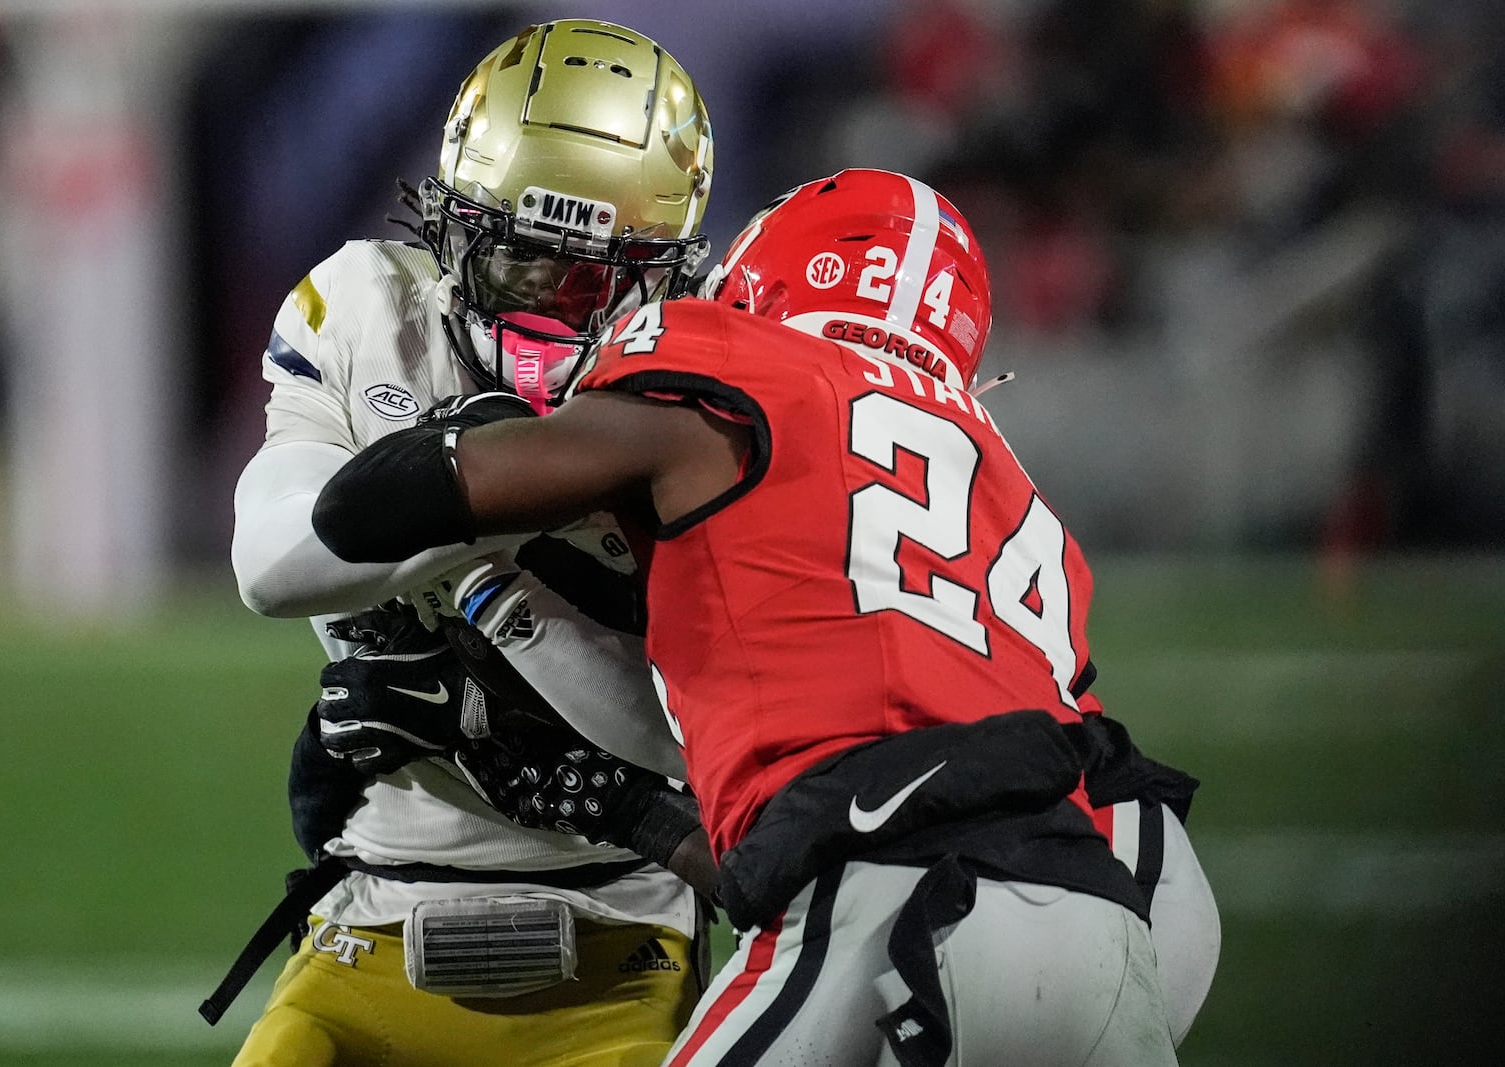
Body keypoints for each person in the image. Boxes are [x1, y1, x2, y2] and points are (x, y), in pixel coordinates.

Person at [312, 168, 1188, 1066]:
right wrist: (628, 809)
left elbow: (355, 513)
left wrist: (475, 446)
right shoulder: (1012, 495)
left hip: (893, 908)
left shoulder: (732, 363)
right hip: (1114, 928)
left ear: (764, 277)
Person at [220, 19, 716, 1067]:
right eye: (515, 258)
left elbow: (675, 732)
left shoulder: (705, 378)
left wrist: (467, 585)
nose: (542, 298)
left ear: (662, 271)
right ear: (449, 224)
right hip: (384, 890)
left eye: (585, 278)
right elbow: (272, 560)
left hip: (620, 905)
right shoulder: (365, 304)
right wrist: (501, 487)